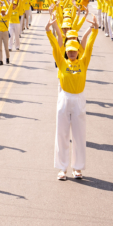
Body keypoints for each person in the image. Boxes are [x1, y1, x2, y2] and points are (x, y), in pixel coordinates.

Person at [46, 13, 98, 181]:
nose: (73, 53)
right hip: (64, 98)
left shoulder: (84, 61)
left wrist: (94, 29)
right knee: (61, 134)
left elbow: (88, 45)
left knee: (79, 135)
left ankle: (77, 168)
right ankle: (62, 169)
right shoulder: (61, 61)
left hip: (79, 99)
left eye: (75, 50)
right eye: (70, 51)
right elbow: (55, 45)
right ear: (67, 52)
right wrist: (49, 30)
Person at [0, 0, 12, 65]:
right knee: (0, 48)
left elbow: (10, 8)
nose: (3, 12)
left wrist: (10, 1)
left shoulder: (7, 16)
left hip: (5, 33)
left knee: (6, 47)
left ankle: (7, 57)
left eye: (4, 11)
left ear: (5, 11)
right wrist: (0, 4)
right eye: (2, 11)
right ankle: (0, 60)